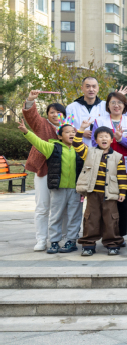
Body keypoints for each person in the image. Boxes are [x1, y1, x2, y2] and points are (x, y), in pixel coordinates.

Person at [18, 120, 83, 254]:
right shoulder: (52, 147)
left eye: (73, 132)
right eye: (67, 132)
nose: (71, 134)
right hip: (58, 189)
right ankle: (54, 241)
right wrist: (26, 132)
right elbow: (38, 142)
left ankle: (71, 241)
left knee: (74, 216)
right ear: (59, 136)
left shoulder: (81, 149)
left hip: (76, 190)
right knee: (55, 216)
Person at [22, 90, 69, 251]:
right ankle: (41, 239)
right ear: (47, 114)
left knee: (62, 208)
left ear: (64, 115)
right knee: (42, 206)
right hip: (43, 170)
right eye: (52, 112)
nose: (55, 115)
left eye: (59, 112)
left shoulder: (68, 128)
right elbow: (31, 116)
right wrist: (30, 99)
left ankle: (62, 238)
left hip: (63, 172)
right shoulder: (41, 124)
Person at [74, 121, 127, 256]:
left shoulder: (118, 157)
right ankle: (88, 244)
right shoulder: (89, 152)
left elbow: (121, 175)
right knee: (91, 218)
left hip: (110, 194)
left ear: (111, 139)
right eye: (100, 136)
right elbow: (76, 144)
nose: (104, 139)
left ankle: (112, 244)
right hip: (93, 193)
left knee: (111, 219)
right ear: (96, 140)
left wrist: (122, 192)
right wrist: (81, 128)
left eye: (106, 136)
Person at [93, 92, 127, 242]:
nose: (116, 105)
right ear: (108, 105)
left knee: (123, 203)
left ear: (125, 105)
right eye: (113, 102)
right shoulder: (99, 121)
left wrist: (120, 139)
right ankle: (106, 234)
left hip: (125, 168)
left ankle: (120, 235)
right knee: (105, 203)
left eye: (120, 102)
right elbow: (94, 143)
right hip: (104, 167)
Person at [66, 77, 114, 143]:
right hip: (77, 145)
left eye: (94, 86)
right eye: (87, 86)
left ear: (98, 89)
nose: (91, 89)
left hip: (101, 146)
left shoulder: (106, 106)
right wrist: (80, 132)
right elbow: (66, 127)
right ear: (82, 88)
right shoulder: (71, 107)